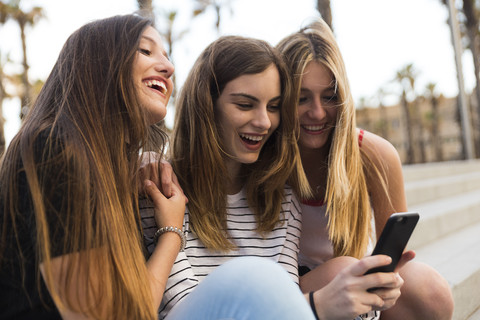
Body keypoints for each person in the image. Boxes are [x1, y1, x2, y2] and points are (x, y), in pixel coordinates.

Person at [0, 14, 320, 320]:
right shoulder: (55, 151)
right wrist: (171, 233)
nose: (168, 66)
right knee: (257, 279)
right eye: (145, 50)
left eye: (167, 56)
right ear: (99, 62)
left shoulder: (113, 174)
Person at [141, 34, 407, 320]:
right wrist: (318, 306)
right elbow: (180, 310)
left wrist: (349, 298)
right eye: (245, 105)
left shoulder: (280, 199)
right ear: (207, 106)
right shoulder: (162, 188)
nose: (264, 122)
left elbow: (285, 296)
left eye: (273, 107)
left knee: (344, 275)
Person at [276, 18, 454, 320]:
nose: (317, 112)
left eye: (329, 96)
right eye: (302, 98)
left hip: (353, 278)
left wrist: (384, 275)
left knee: (430, 289)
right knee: (341, 271)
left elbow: (391, 259)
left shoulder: (374, 154)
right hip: (289, 291)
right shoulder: (265, 155)